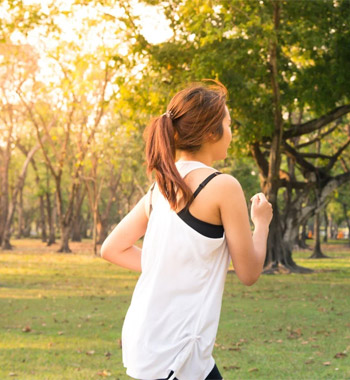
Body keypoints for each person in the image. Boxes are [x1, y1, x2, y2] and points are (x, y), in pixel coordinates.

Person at [100, 81, 273, 380]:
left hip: (147, 339)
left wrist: (168, 266)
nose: (232, 133)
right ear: (210, 132)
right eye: (228, 124)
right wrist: (262, 224)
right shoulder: (222, 186)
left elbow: (112, 248)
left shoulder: (160, 186)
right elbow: (249, 273)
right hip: (178, 350)